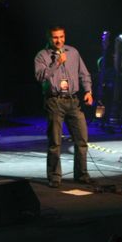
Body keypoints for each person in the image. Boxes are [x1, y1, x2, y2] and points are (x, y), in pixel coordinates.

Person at [34, 25, 94, 188]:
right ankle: (54, 177)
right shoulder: (42, 56)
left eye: (61, 36)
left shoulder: (73, 52)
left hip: (73, 101)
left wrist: (88, 91)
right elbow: (40, 76)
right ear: (49, 38)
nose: (59, 40)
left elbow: (84, 73)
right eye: (55, 37)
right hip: (54, 101)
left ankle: (81, 174)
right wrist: (57, 63)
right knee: (55, 142)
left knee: (82, 139)